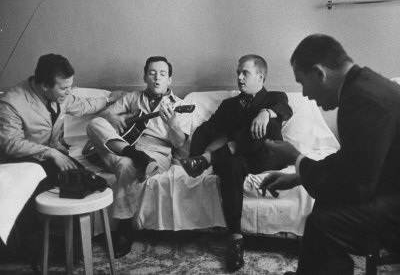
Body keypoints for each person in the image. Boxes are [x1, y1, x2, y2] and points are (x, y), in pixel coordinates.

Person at [260, 34, 400, 275]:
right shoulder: (362, 86)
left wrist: (295, 157)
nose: (304, 94)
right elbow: (352, 159)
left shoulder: (362, 100)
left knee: (322, 224)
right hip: (388, 189)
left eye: (303, 83)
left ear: (319, 73)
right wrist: (298, 176)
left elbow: (355, 188)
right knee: (325, 207)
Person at [0, 53, 122, 265]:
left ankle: (72, 251)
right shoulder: (11, 102)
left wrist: (111, 98)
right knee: (42, 197)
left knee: (82, 181)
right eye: (64, 88)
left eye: (70, 86)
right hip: (21, 164)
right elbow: (10, 144)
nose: (69, 92)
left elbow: (84, 105)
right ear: (44, 86)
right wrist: (52, 153)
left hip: (50, 157)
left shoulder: (61, 96)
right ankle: (38, 252)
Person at [180, 54, 293, 271]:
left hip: (266, 155)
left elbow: (285, 110)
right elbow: (207, 130)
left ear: (260, 76)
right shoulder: (229, 105)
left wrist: (266, 112)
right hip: (241, 160)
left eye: (245, 73)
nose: (239, 77)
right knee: (231, 165)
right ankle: (235, 240)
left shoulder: (275, 98)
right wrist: (193, 157)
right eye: (238, 73)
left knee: (267, 125)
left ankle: (212, 158)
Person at [86, 56, 192, 258]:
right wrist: (116, 117)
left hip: (156, 153)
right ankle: (133, 155)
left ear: (170, 79)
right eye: (152, 73)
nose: (157, 78)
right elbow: (106, 115)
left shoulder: (180, 105)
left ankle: (124, 229)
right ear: (145, 77)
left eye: (162, 74)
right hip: (125, 146)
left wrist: (172, 125)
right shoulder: (133, 98)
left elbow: (179, 144)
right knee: (94, 124)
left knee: (126, 165)